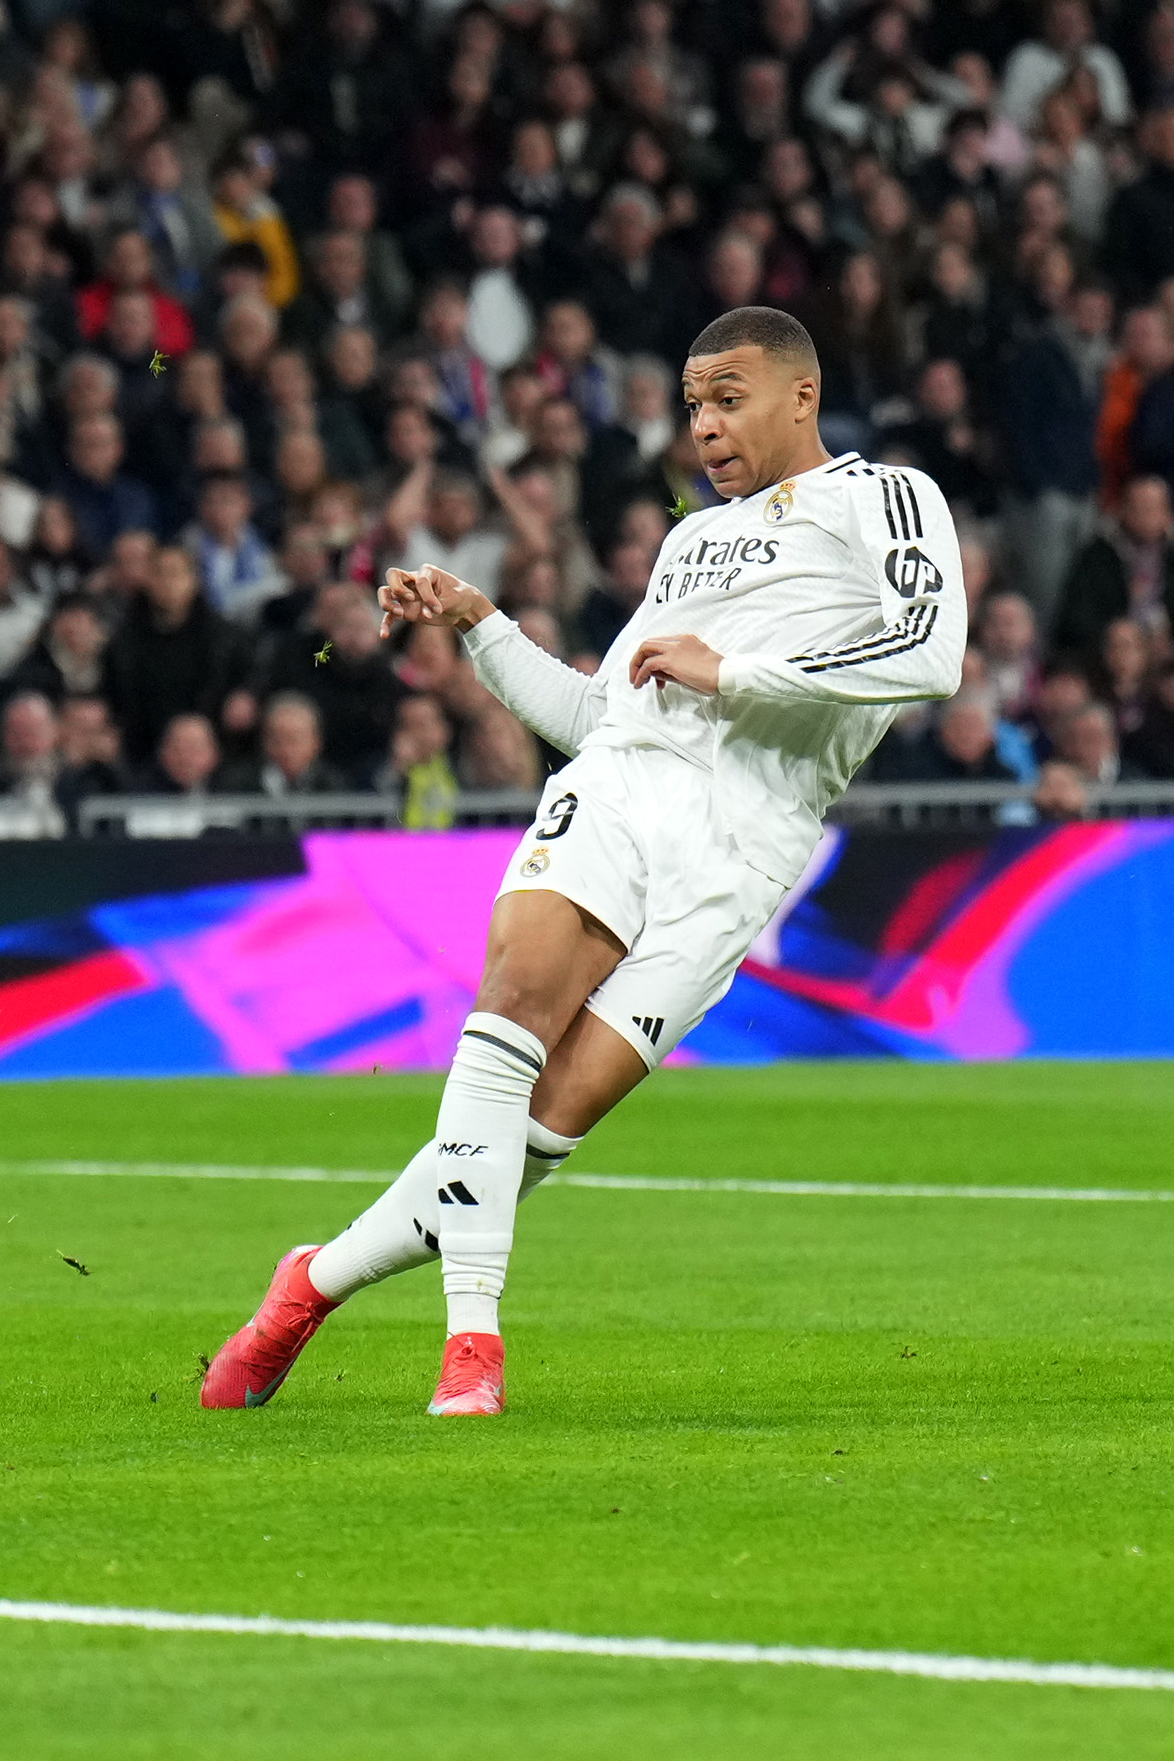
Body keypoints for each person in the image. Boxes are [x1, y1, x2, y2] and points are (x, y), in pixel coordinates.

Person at [202, 308, 964, 1418]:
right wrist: (481, 625)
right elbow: (602, 717)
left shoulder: (886, 497)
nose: (704, 425)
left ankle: (309, 1285)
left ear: (802, 395)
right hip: (621, 790)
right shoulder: (690, 542)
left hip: (747, 848)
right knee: (511, 1007)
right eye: (694, 403)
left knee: (549, 1125)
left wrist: (733, 670)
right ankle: (473, 1342)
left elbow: (929, 652)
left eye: (730, 397)